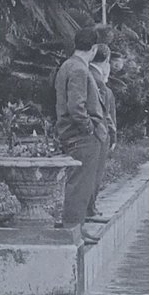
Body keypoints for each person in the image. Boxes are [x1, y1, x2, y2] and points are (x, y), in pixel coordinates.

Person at [54, 27, 108, 229]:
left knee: (80, 184)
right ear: (93, 49)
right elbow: (77, 106)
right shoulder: (78, 69)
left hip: (76, 133)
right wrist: (89, 128)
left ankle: (77, 229)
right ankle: (73, 230)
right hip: (81, 136)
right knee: (80, 184)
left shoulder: (68, 65)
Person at [87, 44, 116, 222]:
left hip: (94, 131)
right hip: (98, 133)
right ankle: (90, 209)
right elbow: (105, 114)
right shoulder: (97, 80)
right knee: (94, 173)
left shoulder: (89, 74)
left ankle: (90, 208)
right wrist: (112, 136)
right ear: (106, 61)